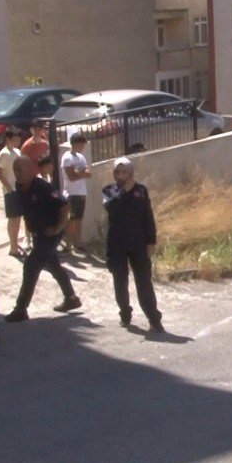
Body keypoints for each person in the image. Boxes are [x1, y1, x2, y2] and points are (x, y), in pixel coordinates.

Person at [5, 154, 81, 322]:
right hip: (38, 234)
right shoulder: (19, 186)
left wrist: (57, 229)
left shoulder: (43, 187)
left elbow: (65, 206)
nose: (17, 173)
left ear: (30, 170)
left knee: (31, 266)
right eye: (15, 170)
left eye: (20, 170)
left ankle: (21, 308)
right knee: (53, 265)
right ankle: (71, 298)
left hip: (50, 234)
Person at [102, 157, 163, 332]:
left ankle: (153, 318)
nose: (121, 176)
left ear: (131, 173)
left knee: (144, 282)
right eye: (117, 172)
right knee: (120, 281)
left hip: (138, 243)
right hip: (117, 244)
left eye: (124, 172)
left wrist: (151, 241)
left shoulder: (141, 191)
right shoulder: (109, 190)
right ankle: (125, 313)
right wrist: (123, 192)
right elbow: (112, 208)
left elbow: (148, 217)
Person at [60, 132, 90, 253]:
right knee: (70, 220)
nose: (83, 147)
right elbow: (71, 176)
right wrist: (80, 172)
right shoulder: (67, 157)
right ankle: (68, 245)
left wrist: (78, 172)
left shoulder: (81, 157)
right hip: (71, 193)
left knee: (78, 220)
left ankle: (78, 243)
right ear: (75, 143)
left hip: (82, 192)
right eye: (81, 144)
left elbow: (88, 173)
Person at [0, 129, 24, 258]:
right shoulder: (4, 154)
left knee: (18, 218)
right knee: (13, 219)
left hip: (19, 189)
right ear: (8, 139)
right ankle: (13, 247)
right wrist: (9, 188)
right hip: (11, 190)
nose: (17, 141)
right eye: (15, 139)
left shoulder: (17, 152)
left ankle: (16, 243)